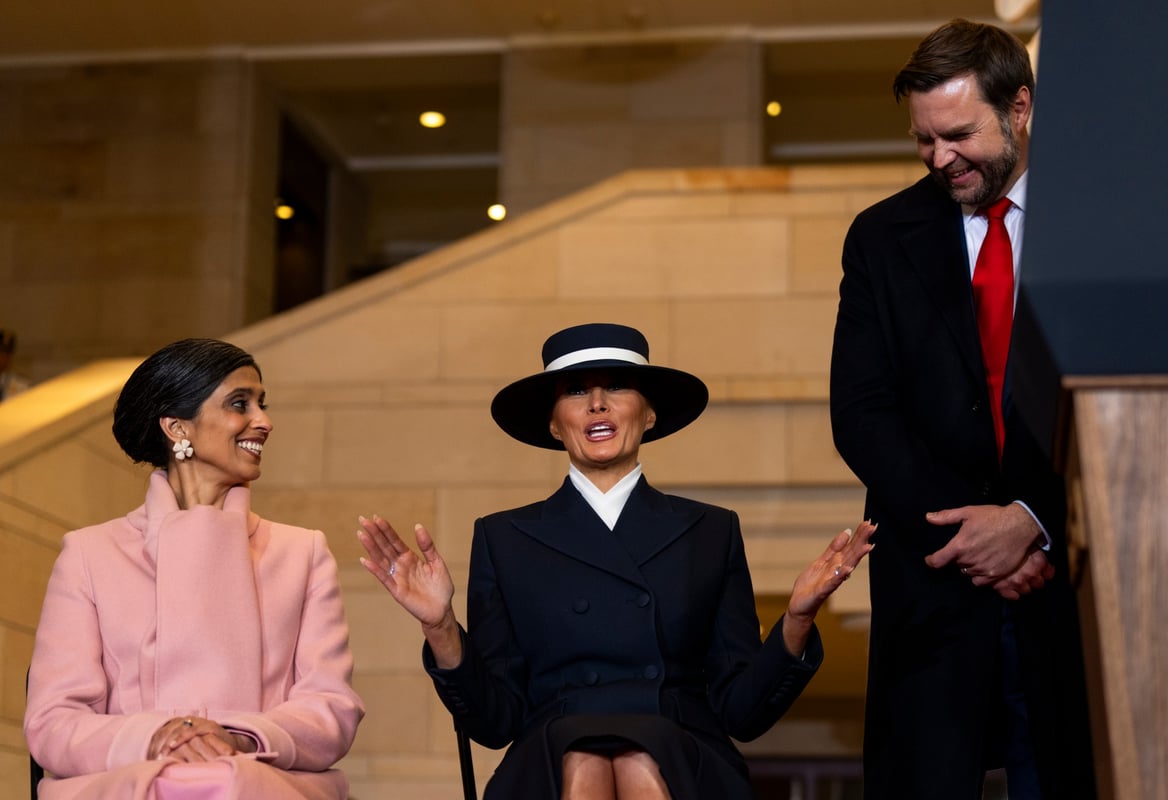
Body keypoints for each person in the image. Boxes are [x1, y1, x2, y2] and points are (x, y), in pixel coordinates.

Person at [357, 322, 875, 799]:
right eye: (577, 391)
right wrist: (442, 626)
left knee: (637, 757)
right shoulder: (503, 537)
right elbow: (496, 722)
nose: (598, 405)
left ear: (650, 414)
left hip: (682, 747)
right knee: (582, 758)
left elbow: (741, 711)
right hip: (550, 752)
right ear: (555, 425)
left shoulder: (711, 531)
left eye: (617, 388)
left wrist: (798, 619)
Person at [830, 19, 1095, 800]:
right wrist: (981, 529)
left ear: (1019, 108)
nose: (940, 158)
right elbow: (862, 414)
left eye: (958, 135)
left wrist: (1031, 523)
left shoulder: (1095, 225)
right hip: (936, 585)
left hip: (1067, 584)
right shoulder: (881, 238)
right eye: (923, 140)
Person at [24, 338, 364, 799]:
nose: (264, 422)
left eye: (262, 404)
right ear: (177, 428)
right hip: (130, 783)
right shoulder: (90, 554)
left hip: (261, 782)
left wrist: (239, 737)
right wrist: (159, 736)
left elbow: (331, 710)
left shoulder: (302, 553)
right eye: (239, 403)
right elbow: (52, 722)